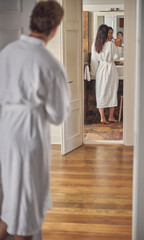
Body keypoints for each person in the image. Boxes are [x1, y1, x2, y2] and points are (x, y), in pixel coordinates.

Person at [0, 1, 70, 240]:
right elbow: (58, 114)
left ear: (32, 22)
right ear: (55, 28)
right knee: (27, 197)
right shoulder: (50, 64)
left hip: (6, 129)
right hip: (29, 132)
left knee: (12, 192)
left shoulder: (7, 52)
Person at [91, 24, 122, 124]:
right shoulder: (110, 44)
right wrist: (119, 46)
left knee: (101, 92)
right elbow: (117, 58)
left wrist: (93, 73)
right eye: (109, 33)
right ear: (105, 33)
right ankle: (111, 117)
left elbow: (94, 60)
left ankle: (102, 118)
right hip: (110, 69)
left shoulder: (95, 44)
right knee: (112, 92)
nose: (110, 35)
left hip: (101, 69)